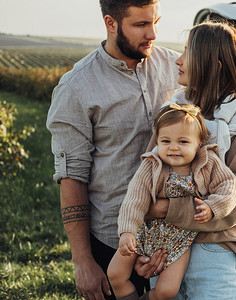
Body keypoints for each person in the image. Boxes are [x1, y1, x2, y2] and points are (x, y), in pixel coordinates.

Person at [46, 1, 181, 299]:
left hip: (171, 235)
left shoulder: (178, 69)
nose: (153, 33)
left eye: (156, 21)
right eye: (141, 25)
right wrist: (83, 262)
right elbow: (72, 177)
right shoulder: (77, 87)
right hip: (110, 240)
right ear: (111, 23)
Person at [135, 20, 236, 299]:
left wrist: (163, 209)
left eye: (188, 53)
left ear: (214, 65)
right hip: (166, 248)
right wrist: (144, 245)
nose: (179, 60)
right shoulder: (173, 109)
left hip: (215, 251)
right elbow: (150, 175)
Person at [107, 103, 236, 300]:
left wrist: (213, 207)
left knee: (166, 291)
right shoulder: (151, 165)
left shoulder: (208, 162)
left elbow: (230, 186)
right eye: (166, 141)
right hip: (145, 231)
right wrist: (128, 231)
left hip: (180, 238)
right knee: (115, 274)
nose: (173, 148)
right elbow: (134, 199)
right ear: (158, 141)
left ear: (199, 143)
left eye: (183, 142)